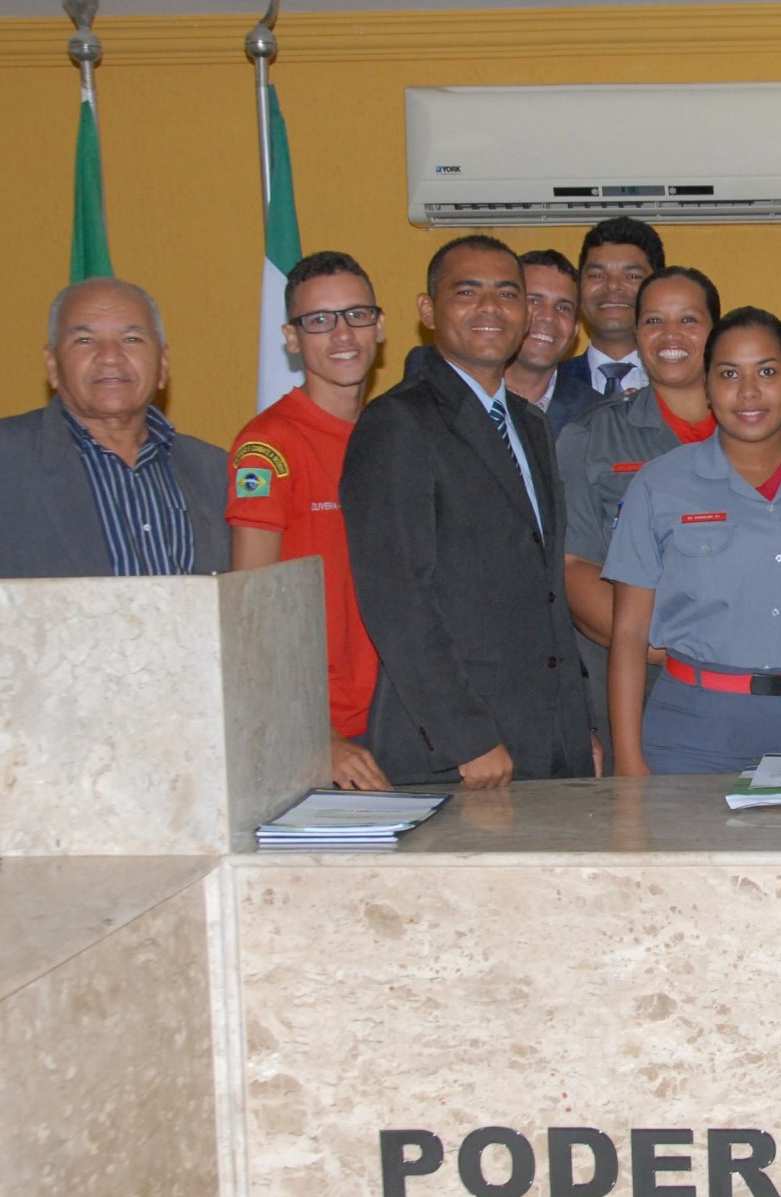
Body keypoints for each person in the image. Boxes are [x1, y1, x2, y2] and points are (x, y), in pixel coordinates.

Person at [340, 235, 592, 787]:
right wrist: (467, 739)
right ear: (428, 310)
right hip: (461, 751)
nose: (490, 307)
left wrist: (576, 727)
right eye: (467, 292)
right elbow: (397, 600)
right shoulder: (398, 423)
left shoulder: (529, 424)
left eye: (507, 293)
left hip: (549, 740)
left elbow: (546, 593)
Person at [603, 307, 781, 774]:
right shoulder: (659, 484)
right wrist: (629, 764)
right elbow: (628, 633)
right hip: (696, 733)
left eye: (767, 372)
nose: (749, 391)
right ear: (707, 386)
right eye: (729, 374)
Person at [0, 277, 230, 580]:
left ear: (163, 364)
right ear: (53, 366)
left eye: (132, 338)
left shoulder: (213, 469)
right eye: (84, 340)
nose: (110, 356)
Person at [225, 251, 391, 791]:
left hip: (396, 718)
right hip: (318, 730)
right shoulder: (269, 445)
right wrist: (317, 737)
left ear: (380, 325)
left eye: (356, 315)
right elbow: (251, 613)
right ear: (292, 338)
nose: (342, 334)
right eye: (319, 320)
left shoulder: (393, 435)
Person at [559, 267, 724, 749]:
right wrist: (669, 649)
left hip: (762, 688)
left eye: (688, 320)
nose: (670, 335)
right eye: (653, 321)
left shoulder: (775, 429)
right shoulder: (590, 437)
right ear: (636, 333)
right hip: (643, 694)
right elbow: (574, 568)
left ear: (716, 331)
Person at [558, 217, 664, 401]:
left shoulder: (690, 384)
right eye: (597, 275)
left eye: (632, 276)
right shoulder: (550, 382)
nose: (613, 286)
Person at [506, 249, 592, 442]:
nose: (548, 317)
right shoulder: (457, 398)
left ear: (575, 329)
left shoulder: (597, 416)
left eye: (563, 307)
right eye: (534, 301)